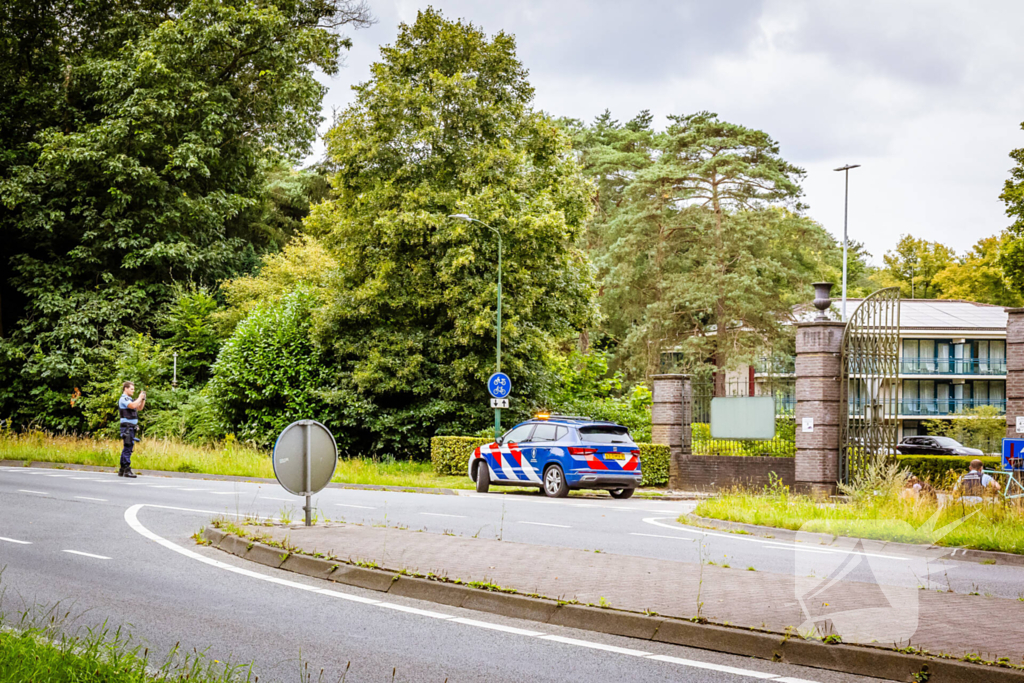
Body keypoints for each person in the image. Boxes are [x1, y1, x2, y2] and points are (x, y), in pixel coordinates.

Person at [118, 381, 146, 478]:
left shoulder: (129, 399)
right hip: (127, 427)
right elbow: (133, 405)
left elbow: (139, 408)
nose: (133, 391)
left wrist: (142, 399)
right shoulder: (124, 399)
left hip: (131, 427)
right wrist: (139, 398)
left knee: (128, 446)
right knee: (128, 447)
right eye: (131, 389)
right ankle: (126, 469)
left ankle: (122, 469)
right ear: (125, 388)